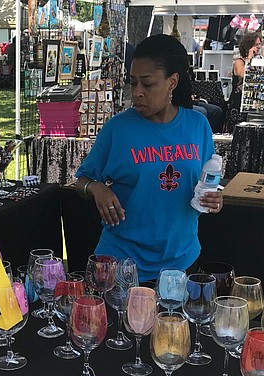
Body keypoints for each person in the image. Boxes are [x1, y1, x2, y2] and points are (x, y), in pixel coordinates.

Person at [74, 34, 223, 283]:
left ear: (172, 82)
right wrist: (96, 188)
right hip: (122, 262)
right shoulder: (118, 129)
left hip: (180, 260)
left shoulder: (198, 125)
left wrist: (214, 197)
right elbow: (82, 180)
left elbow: (207, 179)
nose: (138, 93)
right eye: (133, 84)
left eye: (147, 84)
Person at [226, 33, 263, 133]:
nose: (259, 47)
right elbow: (243, 74)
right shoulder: (239, 61)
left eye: (260, 44)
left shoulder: (258, 61)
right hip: (238, 102)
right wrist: (250, 58)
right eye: (256, 44)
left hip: (252, 102)